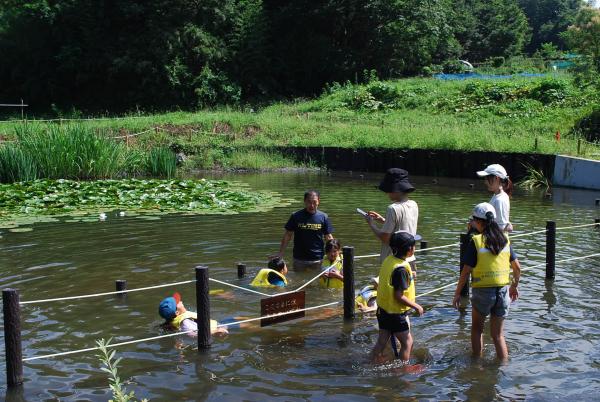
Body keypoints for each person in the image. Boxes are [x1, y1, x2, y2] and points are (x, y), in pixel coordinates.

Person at [452, 202, 521, 361]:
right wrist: (514, 287)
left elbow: (465, 272)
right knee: (498, 335)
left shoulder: (476, 241)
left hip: (483, 292)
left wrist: (456, 294)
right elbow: (517, 268)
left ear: (479, 222)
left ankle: (477, 365)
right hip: (503, 292)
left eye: (474, 220)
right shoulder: (505, 239)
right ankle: (503, 367)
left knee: (477, 330)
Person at [372, 231, 424, 363]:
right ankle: (403, 369)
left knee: (382, 340)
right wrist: (416, 306)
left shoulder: (389, 260)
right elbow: (398, 296)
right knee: (408, 342)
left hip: (383, 310)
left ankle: (369, 361)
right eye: (414, 246)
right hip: (395, 314)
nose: (415, 248)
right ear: (409, 250)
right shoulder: (401, 269)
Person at [365, 168, 419, 266]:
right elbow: (403, 228)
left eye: (388, 189)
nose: (387, 193)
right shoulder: (414, 204)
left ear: (396, 189)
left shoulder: (392, 208)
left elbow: (385, 238)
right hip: (410, 259)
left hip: (394, 261)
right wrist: (383, 220)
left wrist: (371, 224)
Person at [274, 190, 334, 270]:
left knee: (317, 280)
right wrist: (281, 253)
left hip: (318, 258)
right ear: (304, 201)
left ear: (319, 201)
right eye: (309, 202)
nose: (312, 205)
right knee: (298, 279)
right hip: (299, 258)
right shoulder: (296, 216)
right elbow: (288, 235)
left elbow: (328, 237)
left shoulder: (323, 217)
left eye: (314, 202)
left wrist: (335, 253)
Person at [158, 292, 229, 336]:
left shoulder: (180, 317)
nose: (181, 301)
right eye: (178, 302)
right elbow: (193, 333)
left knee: (238, 319)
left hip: (218, 325)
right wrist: (214, 332)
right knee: (239, 323)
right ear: (177, 313)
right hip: (219, 329)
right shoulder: (185, 322)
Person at [476, 164, 514, 232]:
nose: (485, 182)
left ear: (496, 178)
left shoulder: (500, 200)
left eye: (487, 178)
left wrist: (478, 226)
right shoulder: (497, 195)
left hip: (497, 241)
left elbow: (502, 227)